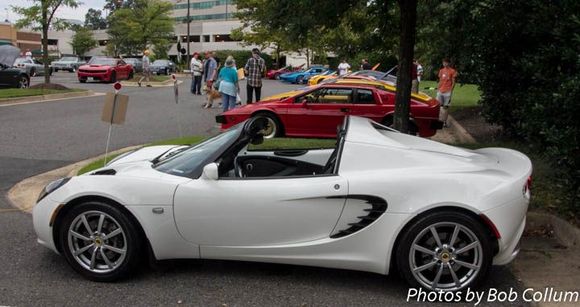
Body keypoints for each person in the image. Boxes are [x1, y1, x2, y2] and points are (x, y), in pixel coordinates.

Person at [437, 58, 458, 126]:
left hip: (447, 91)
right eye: (443, 63)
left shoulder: (452, 71)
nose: (444, 64)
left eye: (446, 62)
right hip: (440, 91)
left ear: (449, 63)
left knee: (446, 107)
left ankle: (444, 122)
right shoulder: (441, 71)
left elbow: (454, 82)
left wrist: (451, 91)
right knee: (439, 106)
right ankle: (439, 120)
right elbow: (440, 81)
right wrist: (438, 88)